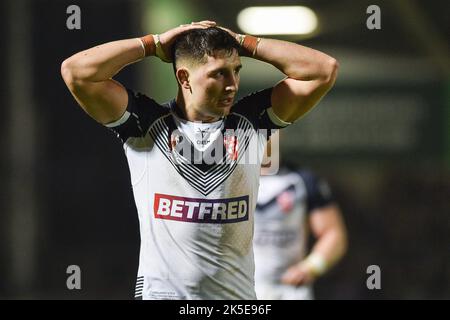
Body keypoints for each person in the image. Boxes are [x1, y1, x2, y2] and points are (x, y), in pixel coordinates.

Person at [60, 20, 338, 300]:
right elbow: (77, 72)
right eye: (219, 74)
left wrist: (243, 43)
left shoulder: (251, 123)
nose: (232, 85)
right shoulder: (145, 125)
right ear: (184, 78)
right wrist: (153, 44)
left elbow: (324, 70)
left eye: (236, 71)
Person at [254, 162, 348, 300]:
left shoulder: (303, 180)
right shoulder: (224, 180)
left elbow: (333, 234)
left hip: (289, 291)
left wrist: (311, 267)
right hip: (238, 289)